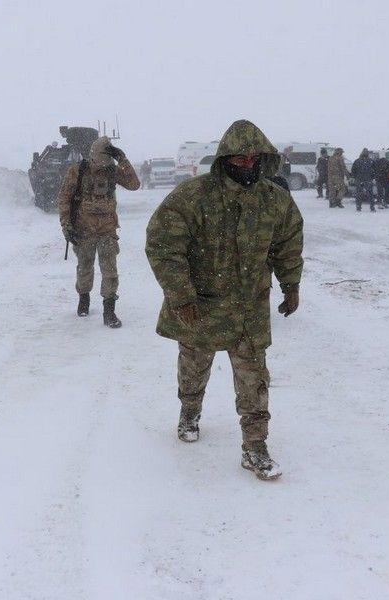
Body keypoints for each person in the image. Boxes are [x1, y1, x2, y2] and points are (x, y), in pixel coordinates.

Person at [144, 119, 304, 481]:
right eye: (240, 159)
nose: (247, 165)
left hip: (249, 309)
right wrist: (181, 294)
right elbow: (164, 245)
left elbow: (288, 243)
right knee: (194, 367)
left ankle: (255, 446)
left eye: (254, 159)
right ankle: (189, 411)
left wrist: (290, 284)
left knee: (254, 377)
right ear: (224, 159)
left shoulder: (275, 200)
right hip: (202, 306)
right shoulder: (193, 197)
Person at [58, 136, 140, 327]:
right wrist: (66, 226)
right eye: (99, 163)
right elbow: (64, 198)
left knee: (110, 270)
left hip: (107, 229)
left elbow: (134, 185)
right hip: (83, 229)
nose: (101, 168)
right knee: (84, 267)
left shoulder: (112, 170)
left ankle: (109, 310)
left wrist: (123, 159)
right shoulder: (77, 171)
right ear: (93, 157)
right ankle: (84, 297)